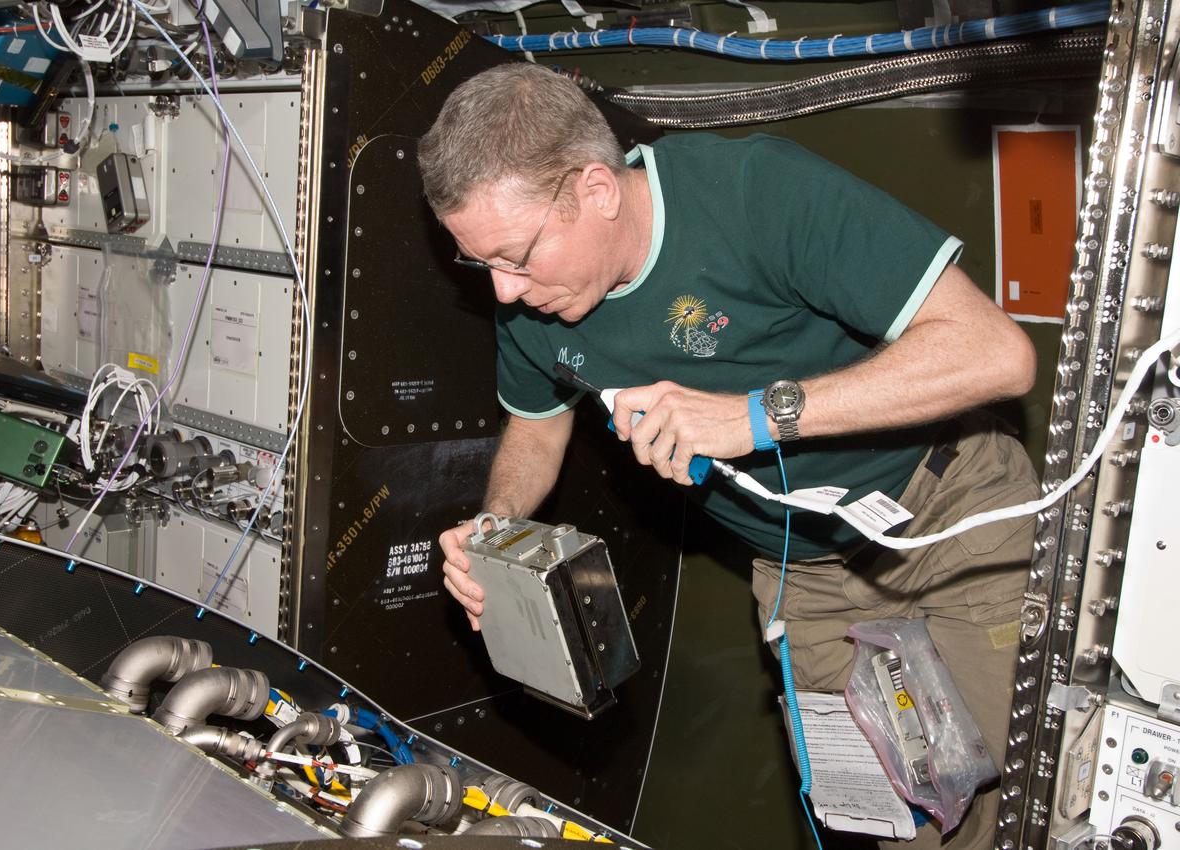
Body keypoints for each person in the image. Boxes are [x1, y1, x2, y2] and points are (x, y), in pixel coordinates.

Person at [418, 60, 1038, 850]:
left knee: (1016, 790)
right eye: (480, 264)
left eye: (514, 257)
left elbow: (996, 354)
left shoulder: (756, 193)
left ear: (597, 191)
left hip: (952, 518)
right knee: (897, 821)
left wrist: (758, 417)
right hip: (806, 573)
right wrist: (496, 525)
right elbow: (539, 429)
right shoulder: (538, 303)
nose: (501, 293)